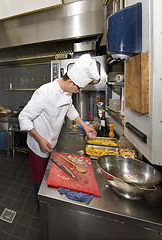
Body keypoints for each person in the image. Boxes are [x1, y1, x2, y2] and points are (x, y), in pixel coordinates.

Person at [18, 53, 99, 204]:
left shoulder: (67, 93)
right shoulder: (45, 92)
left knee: (48, 178)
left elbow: (70, 110)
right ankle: (40, 204)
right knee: (39, 181)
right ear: (71, 82)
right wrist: (40, 139)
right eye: (79, 88)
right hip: (38, 145)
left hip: (51, 142)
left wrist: (85, 126)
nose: (79, 92)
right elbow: (23, 118)